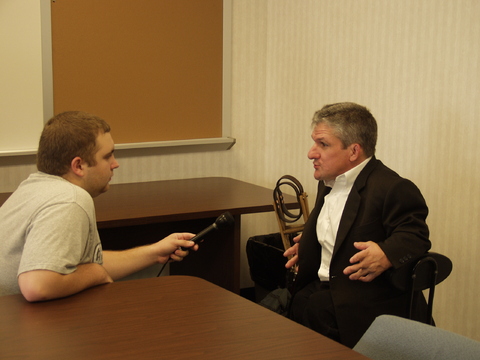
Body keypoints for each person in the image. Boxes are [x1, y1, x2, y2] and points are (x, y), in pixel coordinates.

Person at [0, 111, 197, 302]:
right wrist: (95, 273)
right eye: (107, 156)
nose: (115, 164)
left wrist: (154, 252)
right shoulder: (70, 199)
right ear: (78, 166)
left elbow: (77, 265)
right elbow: (38, 286)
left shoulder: (34, 187)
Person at [284, 102, 431, 348]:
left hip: (368, 302)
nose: (311, 153)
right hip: (323, 291)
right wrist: (314, 242)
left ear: (353, 151)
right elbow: (340, 230)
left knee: (314, 310)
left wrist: (386, 253)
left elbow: (416, 237)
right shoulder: (329, 180)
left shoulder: (392, 187)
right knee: (291, 307)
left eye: (323, 144)